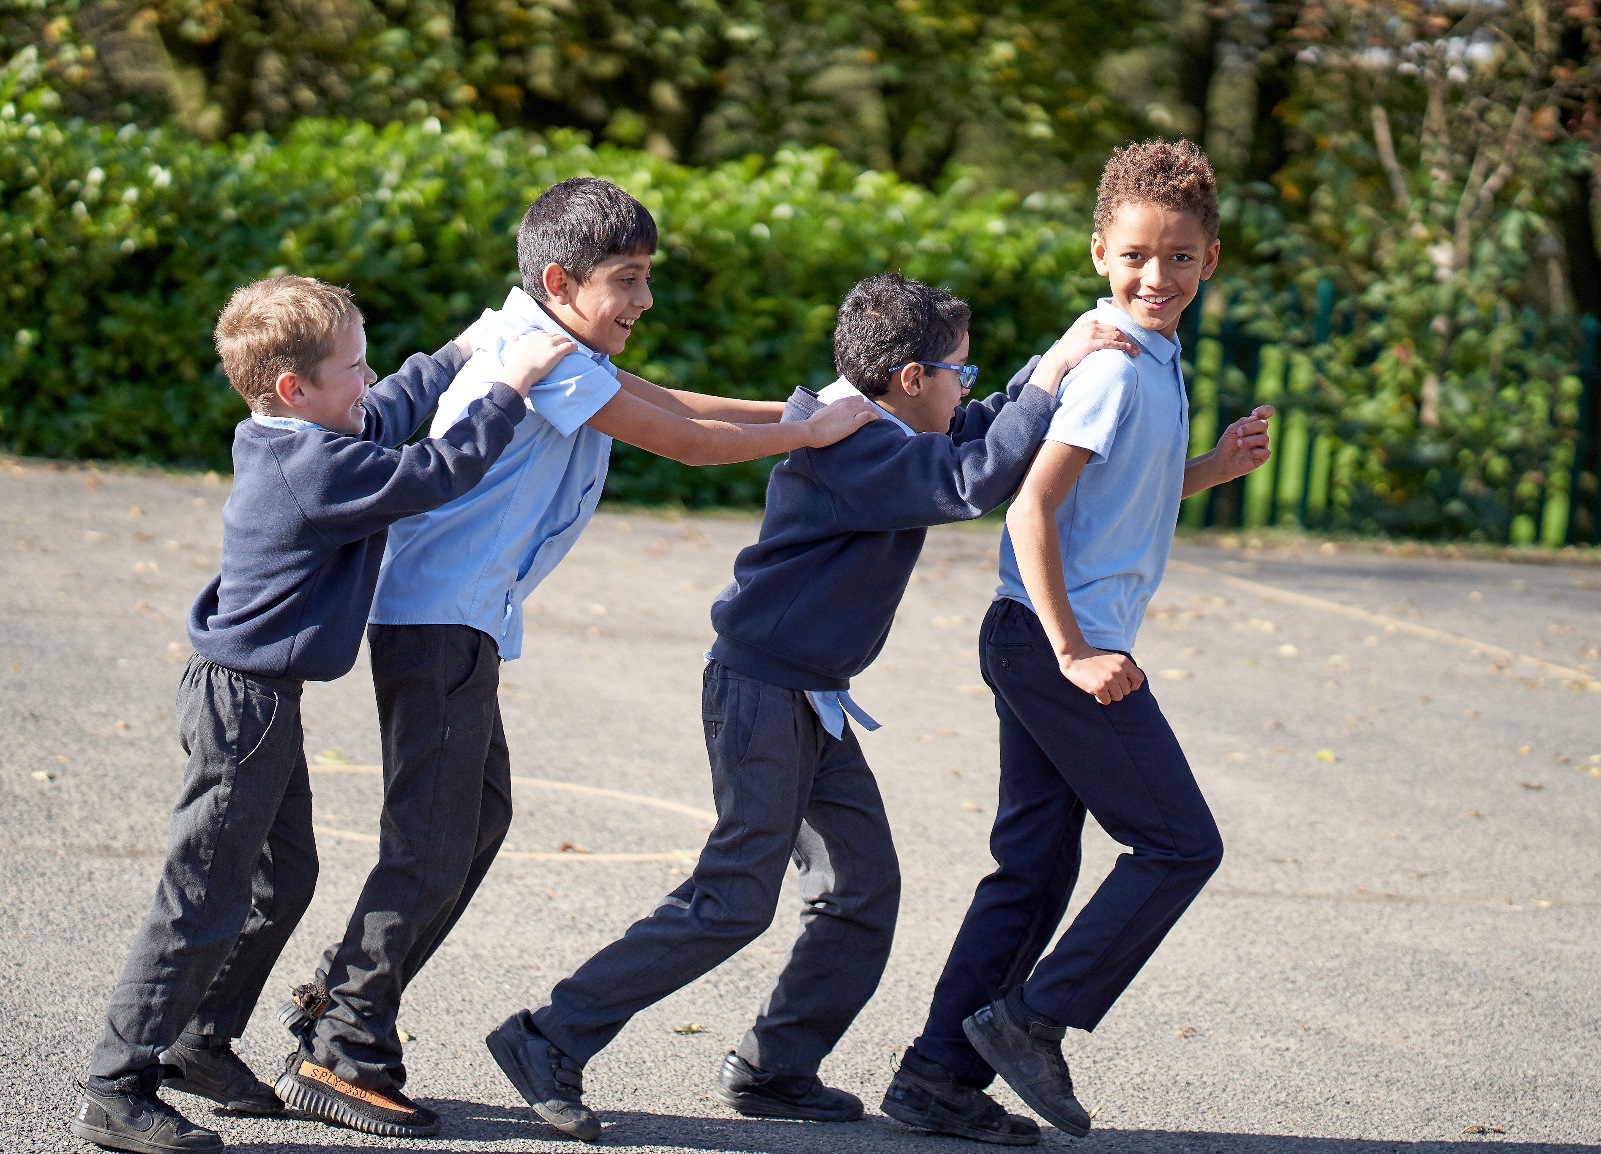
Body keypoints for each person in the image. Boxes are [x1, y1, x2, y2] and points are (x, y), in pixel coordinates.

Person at [273, 177, 878, 1138]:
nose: (643, 300)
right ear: (559, 279)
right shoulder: (542, 356)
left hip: (457, 623)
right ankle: (341, 1042)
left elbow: (663, 397)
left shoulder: (553, 339)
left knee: (472, 820)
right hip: (437, 625)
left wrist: (803, 411)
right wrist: (806, 431)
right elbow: (677, 439)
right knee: (433, 839)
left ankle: (346, 1011)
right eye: (626, 280)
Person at [484, 272, 1138, 1143]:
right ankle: (547, 1037)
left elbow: (973, 436)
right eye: (959, 374)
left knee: (861, 885)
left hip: (806, 694)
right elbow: (972, 479)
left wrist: (1044, 370)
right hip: (762, 692)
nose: (966, 389)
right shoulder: (856, 446)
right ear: (910, 379)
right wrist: (1053, 375)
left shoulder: (885, 425)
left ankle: (776, 1068)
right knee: (733, 897)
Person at [70, 274, 571, 1154]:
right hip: (244, 708)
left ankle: (199, 1042)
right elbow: (435, 471)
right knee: (204, 894)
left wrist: (459, 348)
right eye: (356, 366)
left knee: (282, 877)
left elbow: (390, 411)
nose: (370, 380)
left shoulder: (298, 437)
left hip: (259, 700)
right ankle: (118, 1083)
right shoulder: (315, 467)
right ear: (296, 390)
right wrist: (507, 383)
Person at [886, 139, 1276, 1145]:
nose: (1159, 276)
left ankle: (937, 1075)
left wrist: (1210, 468)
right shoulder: (1109, 363)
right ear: (1102, 249)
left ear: (1211, 260)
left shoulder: (1144, 352)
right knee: (1181, 842)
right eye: (1138, 255)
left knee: (1033, 870)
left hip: (1036, 638)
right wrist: (1071, 652)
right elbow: (1032, 509)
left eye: (1181, 258)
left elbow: (1123, 492)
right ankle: (1030, 1017)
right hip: (1059, 645)